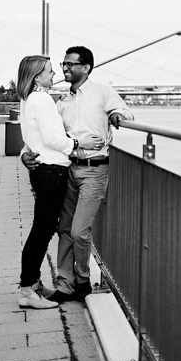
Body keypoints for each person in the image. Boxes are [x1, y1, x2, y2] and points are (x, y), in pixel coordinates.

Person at [21, 46, 133, 303]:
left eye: (71, 64)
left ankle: (82, 280)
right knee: (64, 229)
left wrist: (116, 113)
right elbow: (42, 135)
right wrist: (24, 154)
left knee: (80, 231)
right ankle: (65, 284)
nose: (65, 68)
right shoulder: (60, 102)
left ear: (86, 68)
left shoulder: (103, 92)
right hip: (68, 169)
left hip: (95, 170)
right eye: (63, 64)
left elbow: (126, 112)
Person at [16, 55, 103, 309]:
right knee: (42, 231)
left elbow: (32, 137)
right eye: (49, 71)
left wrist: (27, 153)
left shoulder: (28, 99)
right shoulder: (42, 99)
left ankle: (31, 285)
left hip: (43, 170)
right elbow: (53, 138)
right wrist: (76, 143)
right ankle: (27, 289)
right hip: (51, 171)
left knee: (40, 229)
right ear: (36, 77)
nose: (54, 75)